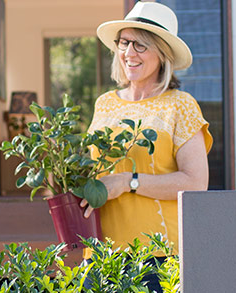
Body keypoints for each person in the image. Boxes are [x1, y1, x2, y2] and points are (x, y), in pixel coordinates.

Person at [83, 2, 212, 292]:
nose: (129, 53)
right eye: (124, 42)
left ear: (162, 53)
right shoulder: (104, 103)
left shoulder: (180, 105)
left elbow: (195, 183)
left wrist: (128, 182)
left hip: (157, 257)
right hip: (101, 253)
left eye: (140, 45)